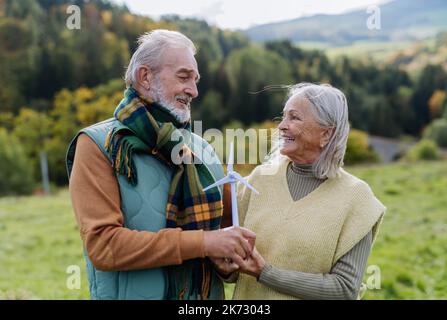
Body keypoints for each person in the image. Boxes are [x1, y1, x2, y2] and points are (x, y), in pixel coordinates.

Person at [66, 29, 255, 300]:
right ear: (145, 77)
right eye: (183, 77)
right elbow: (104, 246)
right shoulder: (98, 145)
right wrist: (203, 243)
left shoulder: (203, 149)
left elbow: (223, 233)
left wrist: (228, 261)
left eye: (196, 79)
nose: (194, 90)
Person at [212, 83, 386, 299]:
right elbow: (236, 271)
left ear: (326, 134)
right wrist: (225, 266)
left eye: (294, 118)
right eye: (283, 117)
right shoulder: (258, 180)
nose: (282, 126)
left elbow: (344, 290)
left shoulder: (357, 199)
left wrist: (265, 273)